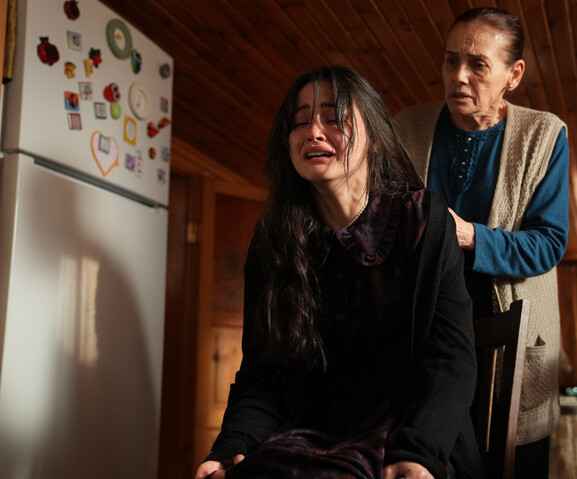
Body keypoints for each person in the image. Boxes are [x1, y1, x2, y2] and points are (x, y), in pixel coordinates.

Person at [195, 66, 485, 479]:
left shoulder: (421, 218)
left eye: (334, 119)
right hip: (309, 435)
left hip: (408, 433)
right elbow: (263, 371)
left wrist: (420, 453)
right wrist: (233, 444)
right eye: (300, 123)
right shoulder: (274, 240)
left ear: (375, 137)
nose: (314, 132)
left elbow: (449, 356)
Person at [393, 7, 569, 478]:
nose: (459, 76)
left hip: (509, 348)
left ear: (514, 75)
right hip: (424, 347)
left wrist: (470, 236)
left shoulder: (544, 135)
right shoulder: (406, 127)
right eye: (451, 60)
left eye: (477, 65)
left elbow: (548, 243)